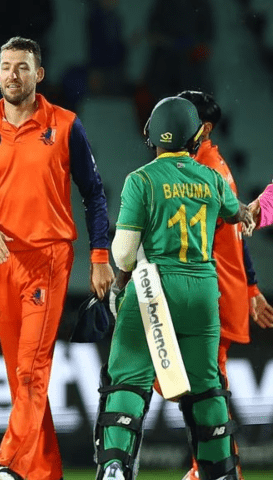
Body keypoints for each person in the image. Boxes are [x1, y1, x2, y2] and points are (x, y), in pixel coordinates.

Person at [0, 36, 113, 480]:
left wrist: (99, 255)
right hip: (1, 260)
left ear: (39, 74)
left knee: (31, 369)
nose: (13, 74)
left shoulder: (65, 125)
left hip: (49, 257)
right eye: (6, 66)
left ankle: (5, 466)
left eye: (23, 67)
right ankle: (45, 472)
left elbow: (94, 194)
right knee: (21, 377)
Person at [97, 96, 245, 480]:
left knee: (129, 379)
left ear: (150, 135)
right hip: (201, 289)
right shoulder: (211, 178)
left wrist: (120, 283)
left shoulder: (141, 180)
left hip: (153, 286)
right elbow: (238, 215)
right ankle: (221, 471)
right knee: (206, 386)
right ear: (195, 137)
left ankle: (114, 466)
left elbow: (125, 252)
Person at [175, 90, 273, 480]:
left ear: (204, 128)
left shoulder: (206, 171)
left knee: (207, 388)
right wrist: (250, 287)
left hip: (209, 294)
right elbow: (236, 230)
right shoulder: (205, 166)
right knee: (205, 386)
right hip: (217, 291)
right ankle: (211, 468)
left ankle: (215, 469)